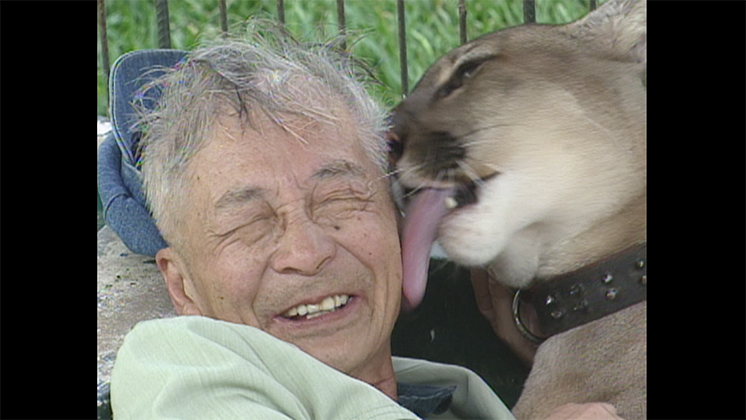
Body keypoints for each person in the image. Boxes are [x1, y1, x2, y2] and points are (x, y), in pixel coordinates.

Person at [109, 23, 622, 420]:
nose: (306, 253)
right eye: (250, 223)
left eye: (339, 200)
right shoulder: (177, 367)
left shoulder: (456, 392)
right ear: (181, 285)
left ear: (397, 225)